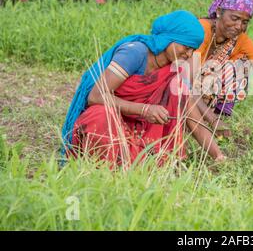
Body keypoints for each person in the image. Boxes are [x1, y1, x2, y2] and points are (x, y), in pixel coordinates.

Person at [61, 10, 226, 168]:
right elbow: (96, 97)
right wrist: (144, 109)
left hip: (138, 132)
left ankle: (134, 162)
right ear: (169, 38)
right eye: (186, 47)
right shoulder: (135, 53)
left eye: (193, 49)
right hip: (111, 121)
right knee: (100, 116)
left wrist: (218, 156)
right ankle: (113, 164)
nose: (189, 54)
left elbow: (194, 120)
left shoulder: (174, 71)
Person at [191, 0, 253, 136]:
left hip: (201, 94)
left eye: (245, 22)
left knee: (240, 65)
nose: (239, 26)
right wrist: (213, 121)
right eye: (234, 18)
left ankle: (220, 114)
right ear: (218, 12)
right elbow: (185, 84)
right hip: (179, 90)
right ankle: (200, 119)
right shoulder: (201, 29)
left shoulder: (241, 40)